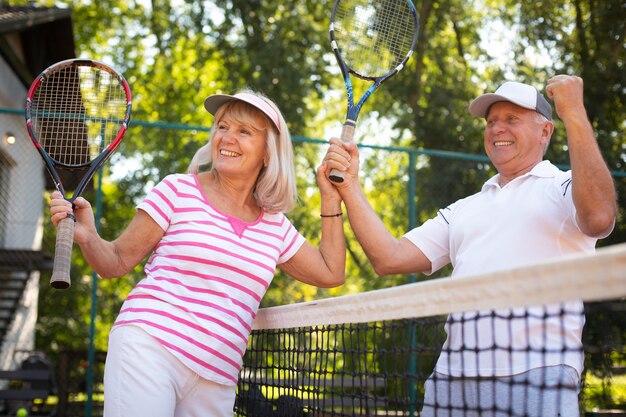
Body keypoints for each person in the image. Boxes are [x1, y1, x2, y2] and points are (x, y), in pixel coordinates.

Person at [323, 75, 616, 416]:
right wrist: (351, 187)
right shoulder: (463, 208)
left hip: (539, 374)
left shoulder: (566, 187)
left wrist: (575, 113)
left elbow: (599, 218)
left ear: (545, 131)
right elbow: (389, 257)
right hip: (452, 381)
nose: (497, 129)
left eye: (511, 119)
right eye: (491, 122)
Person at [49, 89, 347, 417]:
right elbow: (116, 262)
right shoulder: (177, 190)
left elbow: (330, 272)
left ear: (268, 152)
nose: (227, 138)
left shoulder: (275, 225)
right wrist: (89, 238)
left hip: (218, 377)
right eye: (222, 126)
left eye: (244, 131)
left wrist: (330, 197)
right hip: (149, 345)